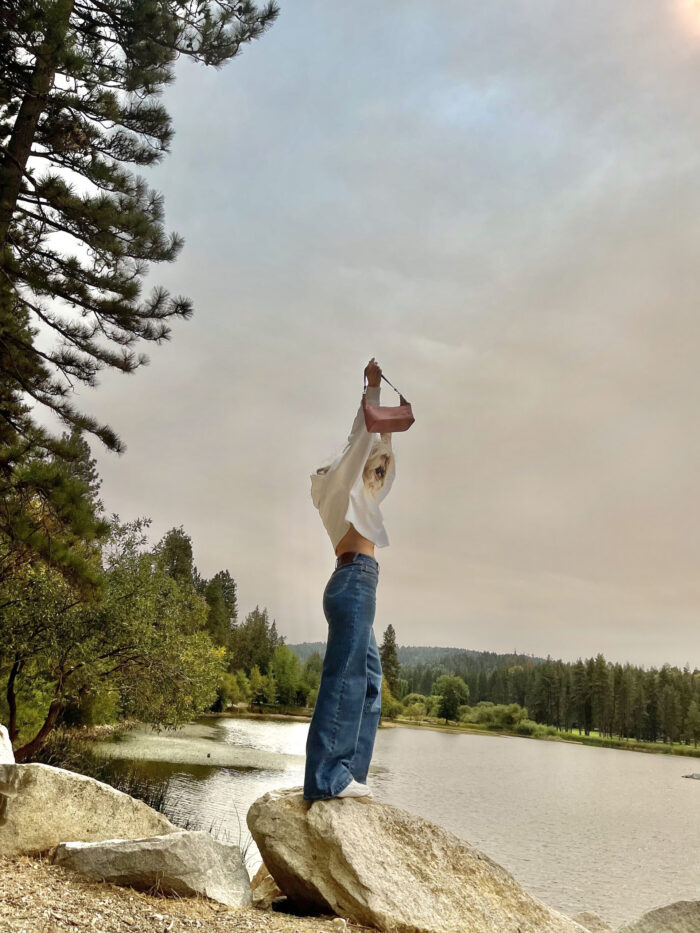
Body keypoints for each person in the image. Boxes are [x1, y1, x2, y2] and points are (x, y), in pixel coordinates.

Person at [303, 357, 396, 801]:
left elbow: (376, 458)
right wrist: (372, 392)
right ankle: (327, 778)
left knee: (370, 683)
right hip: (355, 584)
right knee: (345, 678)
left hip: (355, 583)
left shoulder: (350, 500)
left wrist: (387, 431)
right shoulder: (335, 490)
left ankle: (350, 775)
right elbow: (359, 442)